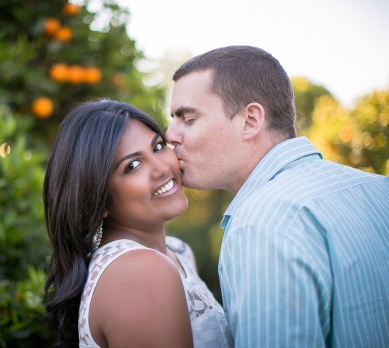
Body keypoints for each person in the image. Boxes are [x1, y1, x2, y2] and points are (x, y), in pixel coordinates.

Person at [165, 45, 389, 347]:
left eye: (188, 119)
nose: (170, 135)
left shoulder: (261, 223)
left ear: (251, 120)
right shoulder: (379, 189)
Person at [43, 99, 233, 347]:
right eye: (132, 166)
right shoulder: (139, 271)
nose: (162, 168)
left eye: (157, 147)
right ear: (99, 201)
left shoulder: (178, 252)